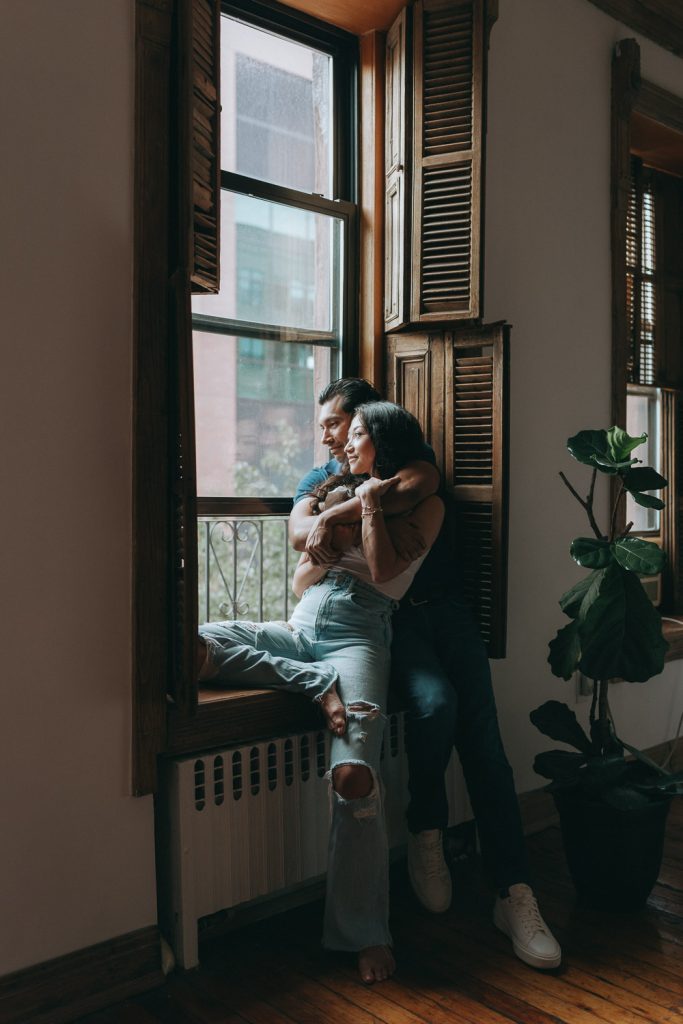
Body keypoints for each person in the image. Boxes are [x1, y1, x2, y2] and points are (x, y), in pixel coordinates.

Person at [289, 378, 562, 971]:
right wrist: (351, 507)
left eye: (338, 422)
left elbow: (418, 486)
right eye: (330, 426)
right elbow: (295, 537)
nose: (330, 434)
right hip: (389, 622)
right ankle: (426, 828)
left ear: (367, 424)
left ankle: (514, 892)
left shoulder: (411, 471)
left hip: (450, 613)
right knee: (436, 706)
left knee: (486, 743)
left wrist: (342, 513)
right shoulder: (321, 476)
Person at [197, 402, 444, 983]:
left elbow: (383, 574)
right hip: (301, 625)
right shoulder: (334, 492)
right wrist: (332, 527)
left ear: (382, 439)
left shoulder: (424, 506)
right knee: (196, 644)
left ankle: (365, 933)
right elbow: (302, 577)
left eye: (356, 433)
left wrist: (363, 513)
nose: (344, 442)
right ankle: (314, 685)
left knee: (354, 774)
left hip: (359, 638)